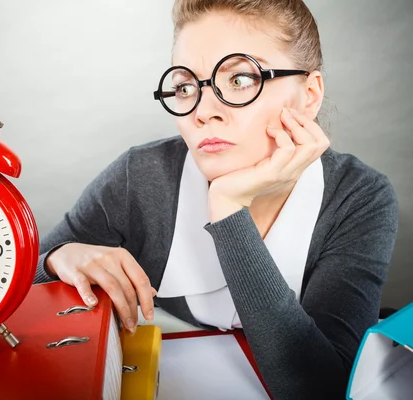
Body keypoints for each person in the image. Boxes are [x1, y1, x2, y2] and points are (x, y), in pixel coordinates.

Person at [33, 0, 400, 398]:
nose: (205, 111)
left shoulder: (360, 197)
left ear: (308, 96)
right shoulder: (138, 177)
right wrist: (56, 260)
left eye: (241, 79)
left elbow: (319, 389)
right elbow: (10, 293)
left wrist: (228, 208)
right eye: (186, 86)